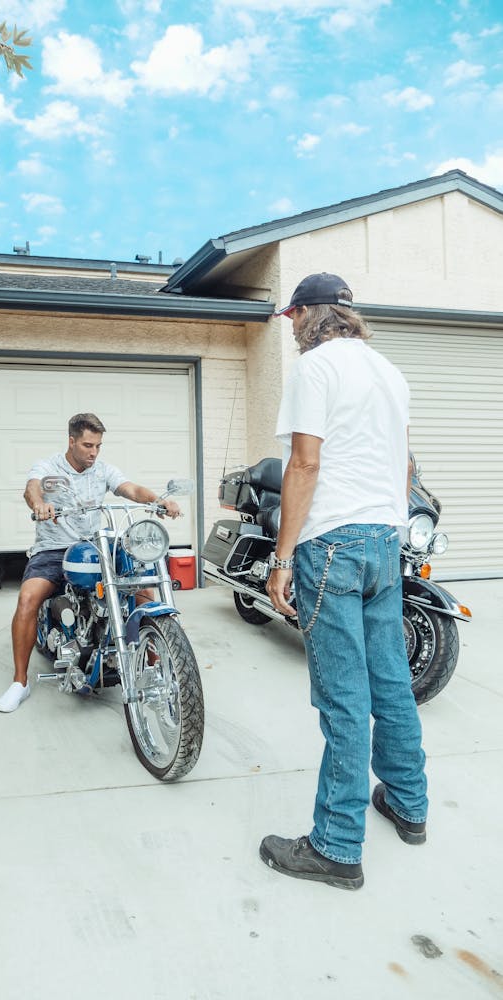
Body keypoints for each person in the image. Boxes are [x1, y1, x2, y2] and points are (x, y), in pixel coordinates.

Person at [259, 272, 428, 891]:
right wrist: (393, 527)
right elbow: (404, 463)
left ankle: (334, 845)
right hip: (384, 540)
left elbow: (304, 462)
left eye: (290, 317)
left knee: (344, 699)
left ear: (307, 314)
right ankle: (408, 803)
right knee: (391, 682)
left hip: (331, 543)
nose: (291, 328)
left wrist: (281, 560)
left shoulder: (315, 369)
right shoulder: (388, 371)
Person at [0, 412, 181, 713]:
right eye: (87, 445)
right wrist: (40, 504)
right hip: (54, 548)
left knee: (143, 590)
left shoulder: (102, 470)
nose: (93, 452)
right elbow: (32, 488)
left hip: (96, 546)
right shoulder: (49, 467)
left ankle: (156, 673)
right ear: (71, 441)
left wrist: (157, 501)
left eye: (97, 446)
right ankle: (19, 682)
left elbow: (130, 489)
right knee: (28, 598)